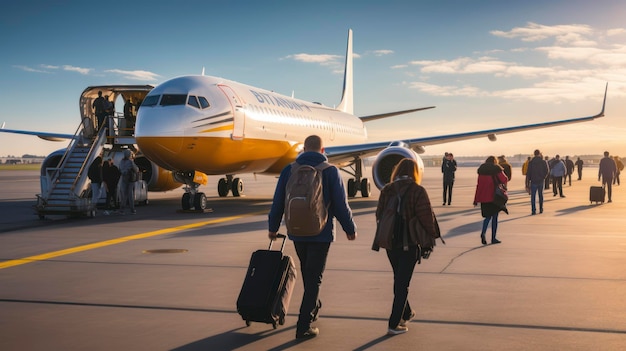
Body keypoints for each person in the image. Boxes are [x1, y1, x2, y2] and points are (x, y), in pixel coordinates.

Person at [268, 135, 357, 340]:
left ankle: (313, 307)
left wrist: (273, 227)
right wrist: (349, 228)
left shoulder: (289, 170)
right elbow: (340, 205)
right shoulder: (330, 171)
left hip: (297, 232)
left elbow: (278, 202)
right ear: (322, 149)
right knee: (314, 278)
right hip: (321, 233)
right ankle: (303, 326)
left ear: (304, 148)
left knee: (309, 275)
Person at [374, 158, 436, 336]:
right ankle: (394, 324)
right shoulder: (417, 190)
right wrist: (429, 241)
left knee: (399, 279)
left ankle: (406, 313)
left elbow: (379, 214)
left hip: (390, 244)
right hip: (409, 243)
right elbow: (426, 218)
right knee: (403, 284)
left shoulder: (387, 189)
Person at [473, 156, 508, 245]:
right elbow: (504, 179)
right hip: (494, 197)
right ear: (494, 161)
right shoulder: (496, 169)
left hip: (484, 198)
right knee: (495, 217)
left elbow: (478, 186)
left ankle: (483, 233)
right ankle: (493, 238)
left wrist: (476, 199)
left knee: (487, 217)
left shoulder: (481, 171)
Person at [527, 149, 549, 215]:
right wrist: (543, 177)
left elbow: (528, 173)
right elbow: (547, 171)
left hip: (533, 181)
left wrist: (528, 181)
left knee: (533, 197)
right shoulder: (543, 162)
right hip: (541, 180)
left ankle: (533, 210)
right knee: (540, 195)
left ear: (534, 154)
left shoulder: (531, 162)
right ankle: (541, 209)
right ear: (539, 153)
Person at [119, 149, 139, 214]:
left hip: (123, 179)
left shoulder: (121, 162)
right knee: (130, 195)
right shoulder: (130, 162)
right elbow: (136, 169)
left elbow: (120, 169)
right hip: (130, 179)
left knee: (124, 195)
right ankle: (132, 209)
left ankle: (122, 209)